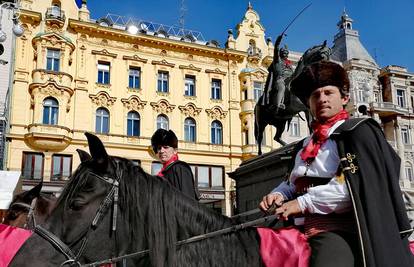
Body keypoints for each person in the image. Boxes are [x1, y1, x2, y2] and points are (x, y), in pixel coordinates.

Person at [259, 61, 413, 267]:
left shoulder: (358, 133)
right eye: (315, 95)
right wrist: (278, 194)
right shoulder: (305, 144)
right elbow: (293, 182)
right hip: (297, 226)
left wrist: (302, 203)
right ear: (309, 104)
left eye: (328, 93)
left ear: (344, 98)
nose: (322, 99)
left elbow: (352, 188)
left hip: (338, 230)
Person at [151, 129, 199, 200]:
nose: (161, 151)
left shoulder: (180, 168)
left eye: (166, 147)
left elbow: (188, 202)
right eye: (159, 148)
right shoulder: (163, 171)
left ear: (175, 151)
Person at [262, 34, 293, 111]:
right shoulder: (277, 61)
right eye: (284, 53)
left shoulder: (289, 64)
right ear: (281, 54)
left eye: (287, 53)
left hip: (290, 80)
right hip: (280, 80)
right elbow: (276, 48)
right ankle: (278, 104)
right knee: (281, 87)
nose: (286, 55)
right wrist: (279, 40)